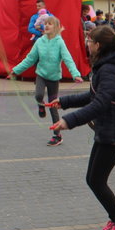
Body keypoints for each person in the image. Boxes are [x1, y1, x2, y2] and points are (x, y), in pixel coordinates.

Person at [48, 25, 115, 230]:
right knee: (94, 179)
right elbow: (93, 95)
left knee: (96, 181)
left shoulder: (109, 70)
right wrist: (64, 102)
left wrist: (69, 121)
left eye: (89, 41)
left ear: (97, 45)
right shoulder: (105, 66)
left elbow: (100, 104)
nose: (86, 44)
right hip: (109, 130)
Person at [10, 15, 83, 147]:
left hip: (54, 78)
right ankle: (41, 106)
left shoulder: (60, 42)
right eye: (45, 23)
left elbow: (68, 59)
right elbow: (30, 58)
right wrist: (16, 70)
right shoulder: (39, 42)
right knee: (38, 95)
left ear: (56, 27)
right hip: (41, 75)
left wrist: (75, 74)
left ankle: (57, 135)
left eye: (50, 24)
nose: (46, 26)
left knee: (53, 106)